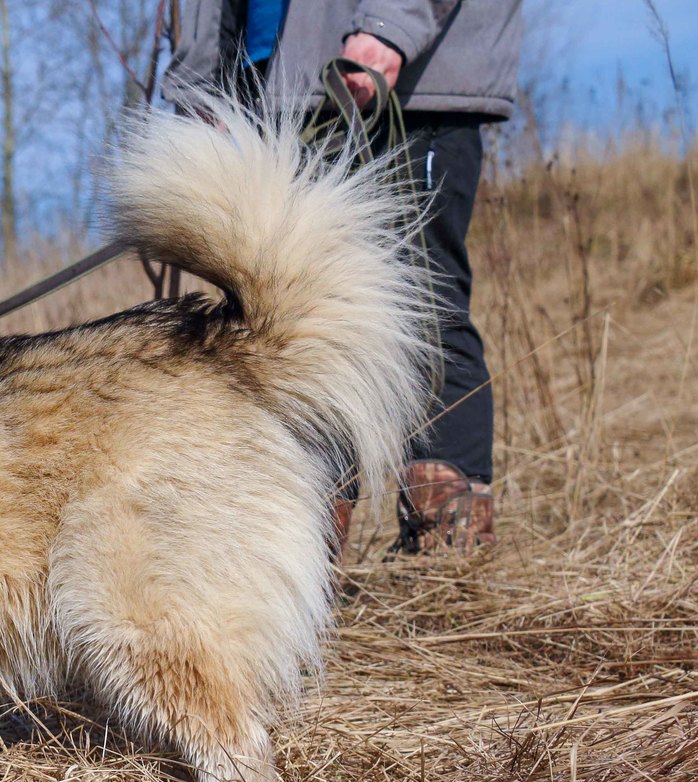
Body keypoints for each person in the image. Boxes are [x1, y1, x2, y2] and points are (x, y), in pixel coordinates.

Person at [165, 0, 522, 553]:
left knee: (423, 302)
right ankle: (304, 561)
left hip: (398, 70)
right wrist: (198, 88)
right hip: (271, 86)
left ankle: (448, 554)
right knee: (292, 322)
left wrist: (390, 25)